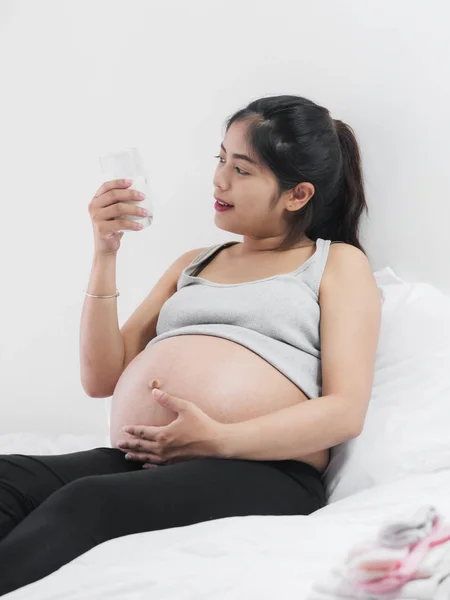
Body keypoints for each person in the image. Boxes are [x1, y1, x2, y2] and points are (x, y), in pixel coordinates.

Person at [0, 94, 381, 595]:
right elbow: (100, 379)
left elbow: (344, 411)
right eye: (221, 159)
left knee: (86, 502)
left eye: (242, 170)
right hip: (151, 460)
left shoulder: (336, 264)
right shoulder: (194, 262)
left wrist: (217, 437)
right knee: (8, 479)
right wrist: (105, 250)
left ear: (297, 194)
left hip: (265, 470)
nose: (220, 179)